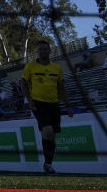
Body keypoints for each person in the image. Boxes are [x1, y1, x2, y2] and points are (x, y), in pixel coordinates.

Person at [21, 40, 73, 174]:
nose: (43, 51)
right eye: (40, 50)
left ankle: (48, 164)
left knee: (51, 136)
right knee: (48, 131)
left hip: (54, 104)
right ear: (37, 52)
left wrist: (68, 106)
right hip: (38, 103)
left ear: (50, 51)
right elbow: (23, 83)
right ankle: (47, 162)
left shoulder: (56, 68)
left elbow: (61, 87)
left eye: (45, 49)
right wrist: (30, 100)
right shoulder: (30, 66)